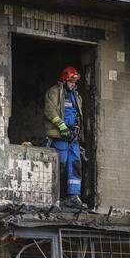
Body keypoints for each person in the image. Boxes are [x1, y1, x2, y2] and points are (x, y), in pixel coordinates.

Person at [45, 66, 86, 210]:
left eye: (75, 82)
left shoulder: (76, 96)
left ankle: (73, 197)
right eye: (71, 81)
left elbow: (78, 115)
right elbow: (50, 111)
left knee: (75, 165)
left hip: (72, 138)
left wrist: (77, 133)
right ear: (64, 80)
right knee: (59, 165)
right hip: (60, 137)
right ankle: (54, 197)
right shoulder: (54, 92)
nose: (73, 84)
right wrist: (62, 127)